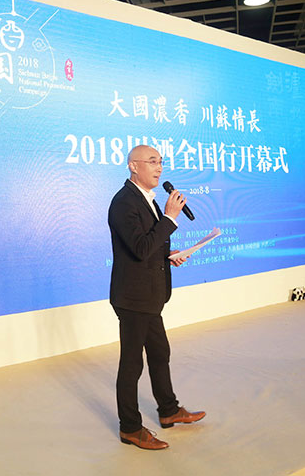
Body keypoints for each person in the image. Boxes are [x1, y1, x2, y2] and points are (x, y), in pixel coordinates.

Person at [107, 144, 205, 451]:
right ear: (133, 166)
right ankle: (130, 428)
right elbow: (139, 249)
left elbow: (149, 245)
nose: (159, 167)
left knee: (160, 352)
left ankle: (168, 410)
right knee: (132, 364)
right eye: (152, 161)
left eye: (161, 162)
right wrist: (170, 218)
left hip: (149, 296)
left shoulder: (146, 199)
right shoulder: (123, 202)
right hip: (133, 298)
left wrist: (169, 254)